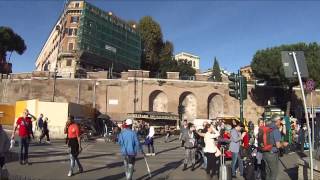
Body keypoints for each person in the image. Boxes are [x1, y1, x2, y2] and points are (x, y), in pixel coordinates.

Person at [262, 115, 288, 180]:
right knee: (274, 173)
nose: (281, 121)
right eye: (280, 120)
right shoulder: (275, 130)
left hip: (265, 153)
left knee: (268, 172)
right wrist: (284, 144)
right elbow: (278, 145)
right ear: (277, 121)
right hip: (272, 154)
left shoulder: (267, 127)